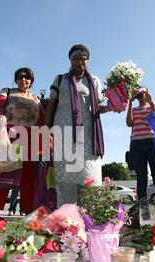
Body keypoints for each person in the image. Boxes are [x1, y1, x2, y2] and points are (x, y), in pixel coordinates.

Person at [45, 44, 108, 207]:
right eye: (75, 58)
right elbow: (51, 106)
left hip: (87, 135)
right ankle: (66, 219)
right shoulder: (60, 79)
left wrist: (111, 107)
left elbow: (96, 107)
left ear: (88, 61)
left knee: (89, 175)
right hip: (63, 134)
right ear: (70, 60)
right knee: (65, 178)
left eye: (83, 59)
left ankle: (89, 219)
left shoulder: (94, 81)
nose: (79, 62)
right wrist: (46, 130)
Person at [0, 67, 45, 219]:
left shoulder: (36, 99)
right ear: (16, 79)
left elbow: (42, 120)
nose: (23, 79)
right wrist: (0, 117)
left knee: (28, 179)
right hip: (11, 138)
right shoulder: (7, 91)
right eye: (20, 77)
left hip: (30, 141)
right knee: (6, 174)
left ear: (31, 81)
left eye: (27, 77)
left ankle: (30, 215)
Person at [126, 86, 155, 210]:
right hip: (136, 144)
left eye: (142, 92)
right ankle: (143, 212)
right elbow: (129, 123)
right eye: (137, 93)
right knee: (141, 179)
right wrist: (130, 104)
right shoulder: (135, 109)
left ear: (147, 92)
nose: (140, 95)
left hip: (152, 142)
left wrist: (150, 102)